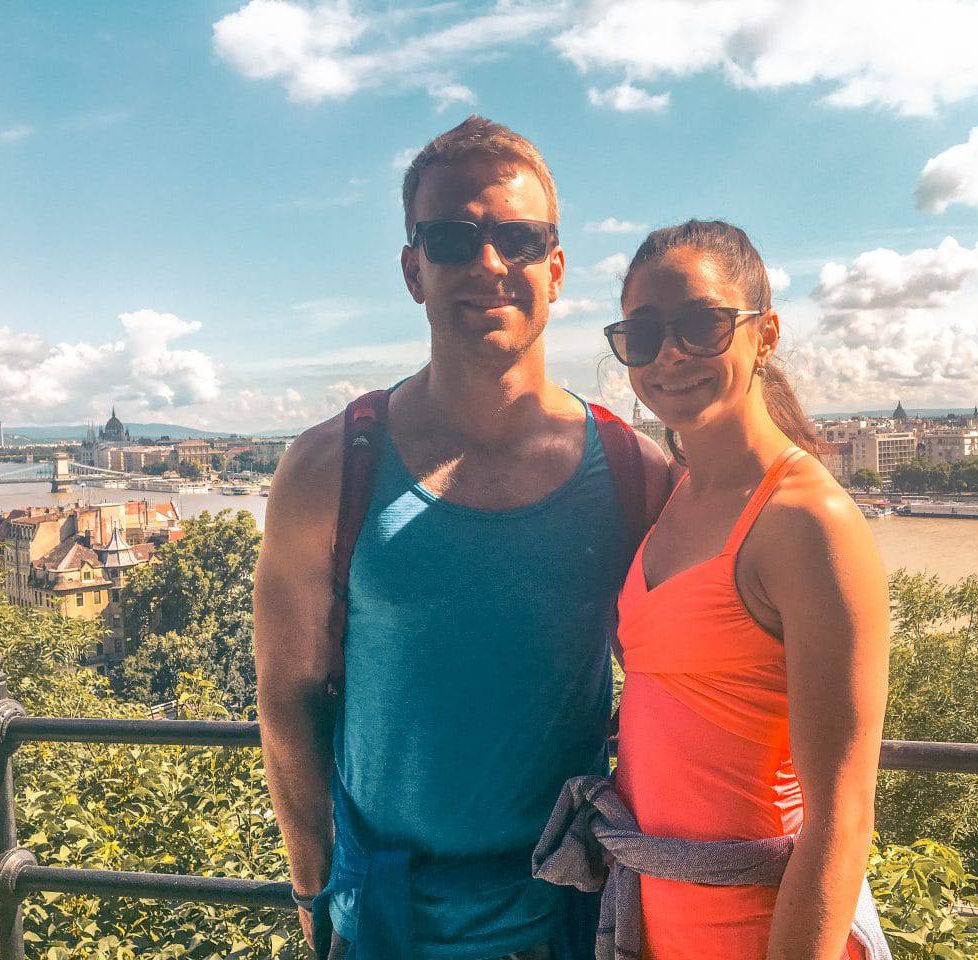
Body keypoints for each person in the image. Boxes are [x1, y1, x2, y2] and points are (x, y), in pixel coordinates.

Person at [253, 116, 670, 960]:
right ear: (414, 270)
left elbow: (692, 684)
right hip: (386, 920)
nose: (488, 263)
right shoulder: (329, 469)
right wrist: (314, 890)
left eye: (519, 238)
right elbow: (287, 701)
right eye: (452, 238)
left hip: (572, 915)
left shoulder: (636, 473)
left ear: (556, 270)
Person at [597, 220, 890, 959]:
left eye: (701, 324)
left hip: (756, 933)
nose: (670, 353)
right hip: (656, 921)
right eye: (643, 334)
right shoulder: (675, 493)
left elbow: (842, 820)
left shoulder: (808, 522)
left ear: (765, 335)